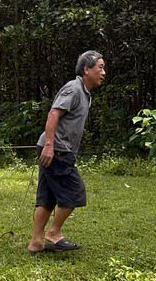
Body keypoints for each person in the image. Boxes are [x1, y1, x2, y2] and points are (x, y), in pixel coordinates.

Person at [27, 50, 106, 254]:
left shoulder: (84, 92)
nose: (103, 72)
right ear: (86, 69)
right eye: (100, 67)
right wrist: (50, 145)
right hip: (57, 149)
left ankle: (36, 242)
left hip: (56, 148)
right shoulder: (73, 89)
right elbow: (53, 113)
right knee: (75, 191)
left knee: (47, 197)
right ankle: (54, 233)